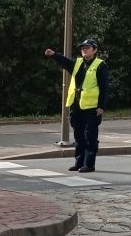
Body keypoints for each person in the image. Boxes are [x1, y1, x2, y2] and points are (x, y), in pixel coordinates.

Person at [45, 38, 110, 172]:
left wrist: (101, 106)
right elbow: (66, 62)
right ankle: (79, 162)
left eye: (87, 47)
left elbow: (104, 87)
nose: (84, 50)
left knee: (90, 136)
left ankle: (89, 164)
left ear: (95, 50)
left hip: (92, 107)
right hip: (76, 105)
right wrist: (54, 55)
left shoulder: (100, 65)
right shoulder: (78, 63)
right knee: (78, 136)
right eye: (83, 48)